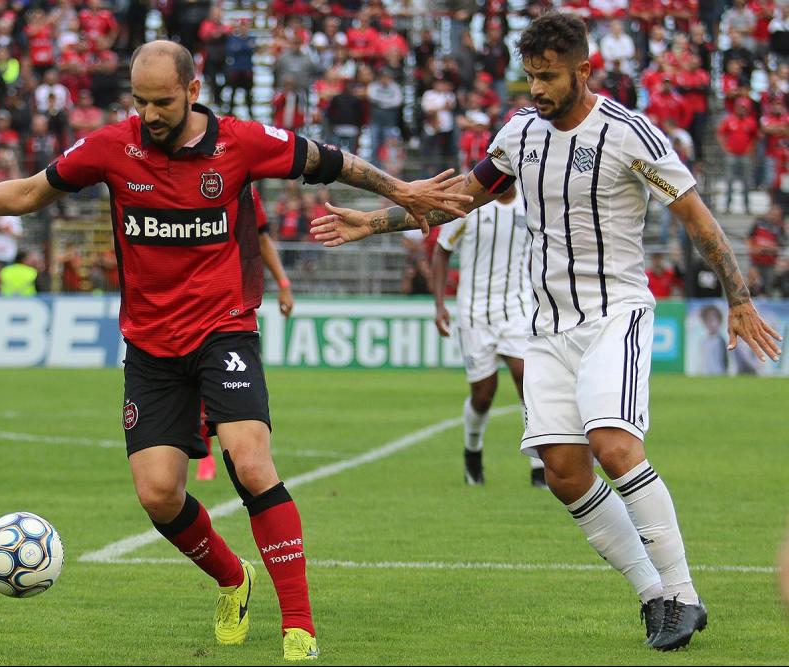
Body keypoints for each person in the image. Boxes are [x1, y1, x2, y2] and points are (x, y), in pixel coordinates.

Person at [0, 40, 463, 661]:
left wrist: (399, 191)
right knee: (158, 494)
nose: (150, 114)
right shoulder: (113, 147)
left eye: (162, 101)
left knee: (250, 464)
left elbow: (330, 162)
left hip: (224, 330)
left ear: (193, 91)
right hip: (149, 346)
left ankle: (298, 626)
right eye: (140, 101)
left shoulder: (242, 142)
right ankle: (232, 579)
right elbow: (34, 191)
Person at [310, 12, 782, 652]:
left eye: (549, 76)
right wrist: (374, 224)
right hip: (546, 325)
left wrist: (739, 297)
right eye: (530, 75)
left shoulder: (629, 132)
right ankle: (652, 595)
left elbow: (697, 219)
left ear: (585, 70)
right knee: (563, 471)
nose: (536, 88)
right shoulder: (519, 136)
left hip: (616, 314)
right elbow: (464, 199)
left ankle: (685, 595)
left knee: (613, 446)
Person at [431, 183, 545, 488]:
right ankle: (472, 450)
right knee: (483, 394)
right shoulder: (469, 207)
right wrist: (440, 303)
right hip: (474, 312)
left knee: (527, 380)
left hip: (518, 309)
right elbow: (442, 251)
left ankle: (539, 466)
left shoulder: (531, 202)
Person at [196, 185, 294, 482]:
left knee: (225, 390)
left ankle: (215, 456)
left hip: (227, 308)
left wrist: (283, 284)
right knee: (191, 390)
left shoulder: (241, 188)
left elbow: (262, 238)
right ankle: (203, 453)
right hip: (179, 307)